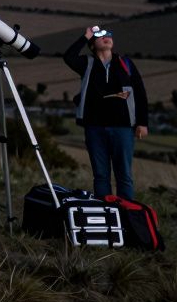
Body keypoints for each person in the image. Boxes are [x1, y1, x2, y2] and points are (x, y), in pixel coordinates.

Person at [64, 26, 149, 200]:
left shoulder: (125, 63)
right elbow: (68, 57)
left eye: (109, 35)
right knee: (101, 175)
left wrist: (142, 122)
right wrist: (85, 36)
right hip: (94, 128)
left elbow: (140, 93)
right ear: (93, 45)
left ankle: (126, 216)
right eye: (101, 36)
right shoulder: (87, 64)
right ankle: (106, 213)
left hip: (123, 128)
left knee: (124, 175)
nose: (106, 37)